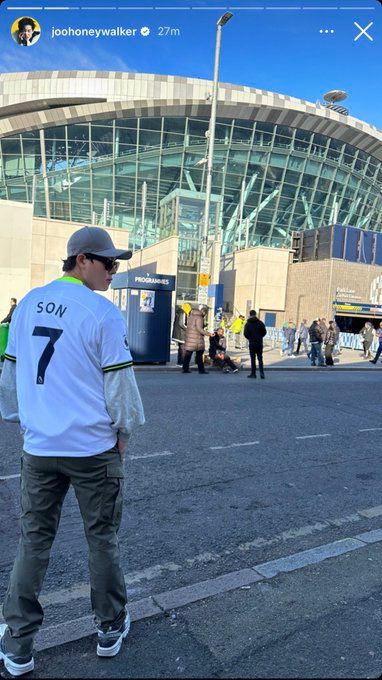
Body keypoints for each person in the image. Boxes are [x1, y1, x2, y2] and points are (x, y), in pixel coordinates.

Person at [0, 226, 145, 677]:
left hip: (41, 447)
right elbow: (119, 384)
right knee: (101, 539)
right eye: (108, 263)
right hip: (92, 449)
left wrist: (24, 420)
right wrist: (124, 433)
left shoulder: (25, 307)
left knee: (34, 541)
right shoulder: (100, 314)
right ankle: (109, 626)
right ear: (82, 259)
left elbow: (10, 378)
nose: (113, 273)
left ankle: (18, 646)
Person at [182, 306, 212, 374]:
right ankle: (201, 370)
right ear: (204, 312)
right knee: (199, 355)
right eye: (206, 313)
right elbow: (199, 329)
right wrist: (209, 334)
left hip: (190, 337)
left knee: (188, 354)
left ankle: (185, 369)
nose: (205, 315)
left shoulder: (191, 316)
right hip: (196, 339)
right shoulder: (199, 318)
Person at [243, 309, 267, 379]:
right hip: (259, 343)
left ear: (250, 315)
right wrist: (259, 337)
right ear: (255, 314)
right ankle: (262, 373)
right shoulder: (260, 323)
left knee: (253, 359)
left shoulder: (247, 324)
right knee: (260, 358)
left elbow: (245, 334)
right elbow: (264, 332)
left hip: (252, 343)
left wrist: (250, 338)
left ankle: (253, 374)